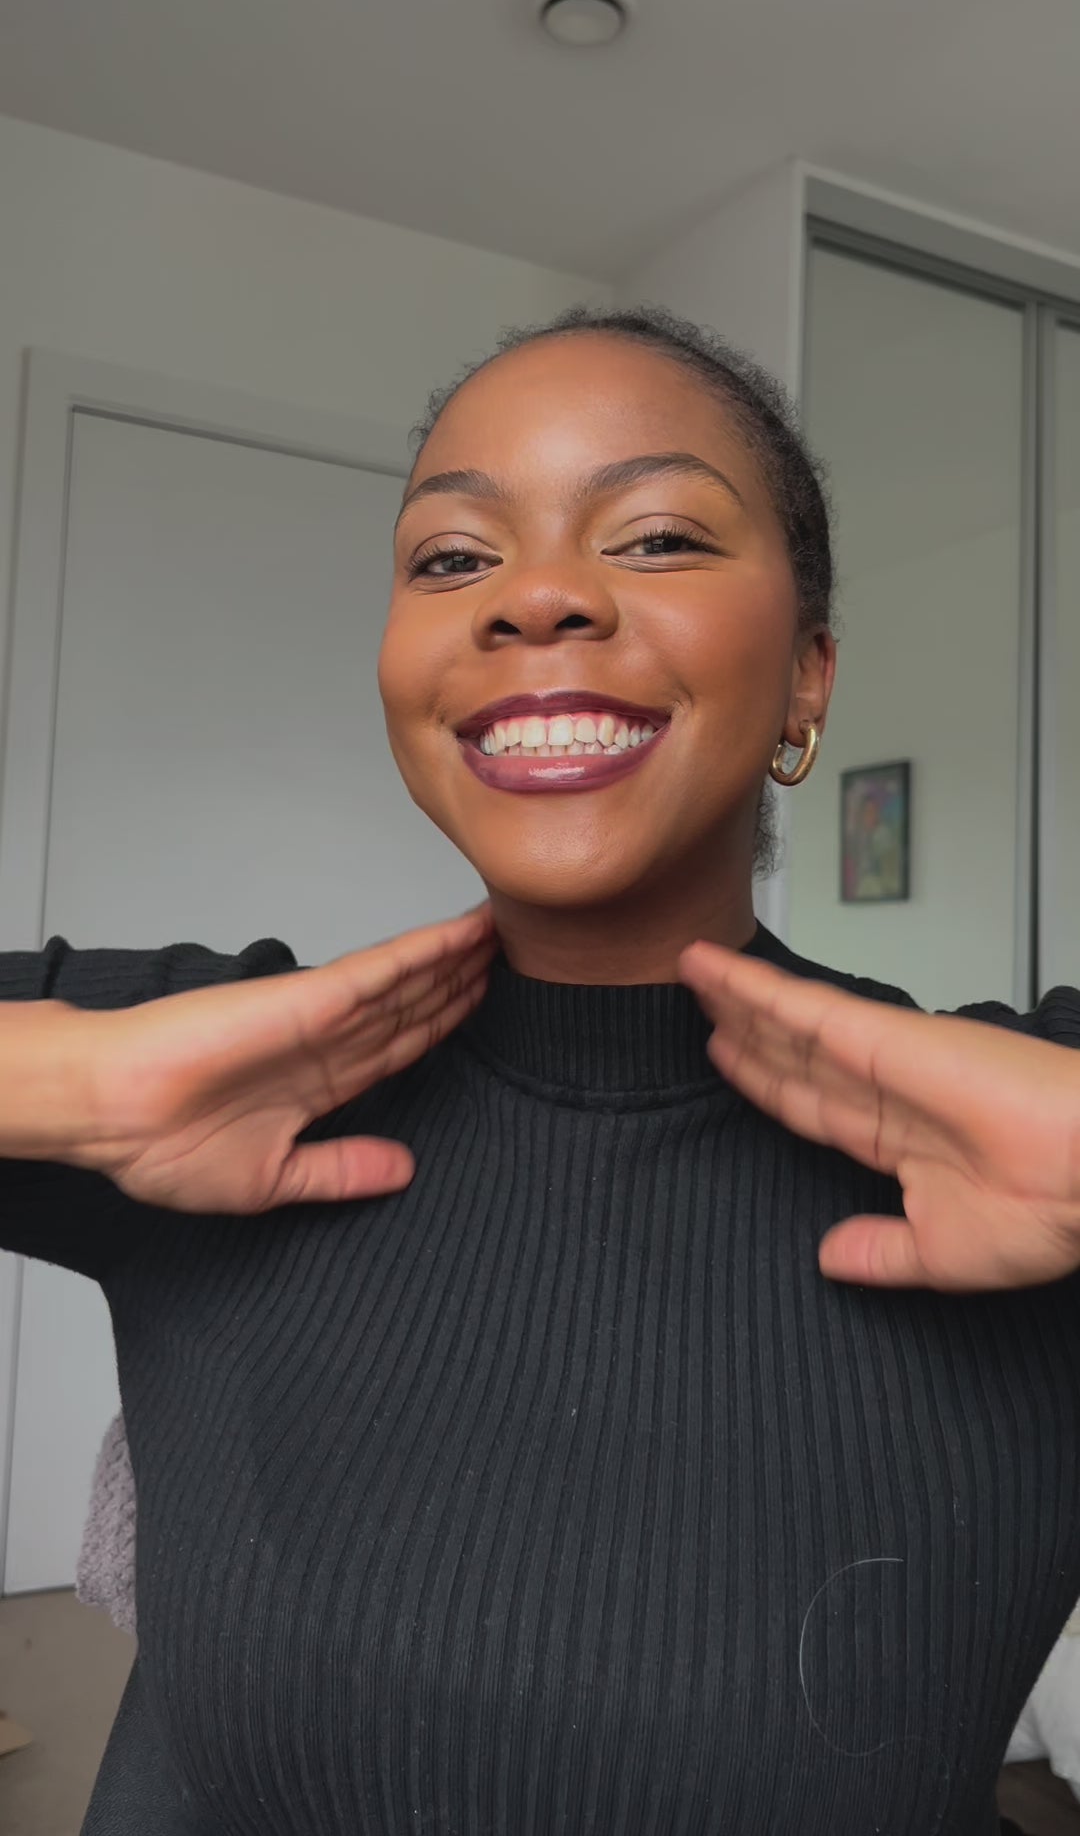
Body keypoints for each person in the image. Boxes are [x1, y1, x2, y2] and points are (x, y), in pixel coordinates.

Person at [1, 306, 1077, 1836]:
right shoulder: (198, 1065)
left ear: (809, 677)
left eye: (657, 538)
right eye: (453, 558)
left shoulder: (1020, 1141)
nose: (536, 596)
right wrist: (71, 1089)